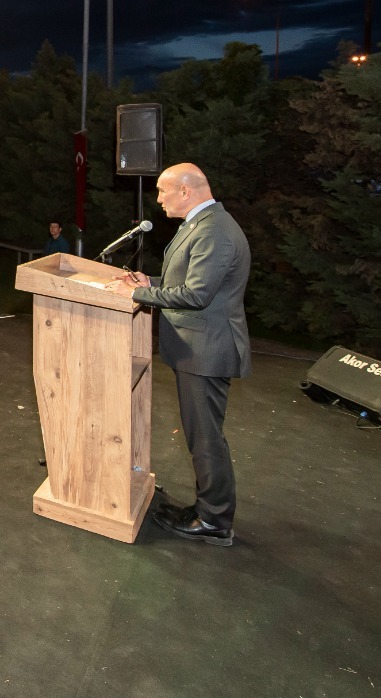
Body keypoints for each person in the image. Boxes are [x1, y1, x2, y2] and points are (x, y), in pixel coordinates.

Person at [107, 163, 250, 547]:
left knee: (206, 440)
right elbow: (185, 283)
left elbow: (196, 295)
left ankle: (215, 521)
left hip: (206, 351)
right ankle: (206, 510)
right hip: (198, 349)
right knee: (201, 436)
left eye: (162, 192)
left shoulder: (215, 231)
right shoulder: (201, 225)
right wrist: (148, 281)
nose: (158, 200)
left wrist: (135, 294)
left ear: (185, 192)